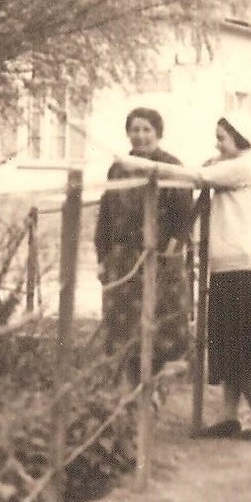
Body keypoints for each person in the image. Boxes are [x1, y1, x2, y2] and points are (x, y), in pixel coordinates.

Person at [118, 114, 251, 441]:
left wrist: (144, 167)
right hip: (229, 266)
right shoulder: (235, 165)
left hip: (241, 267)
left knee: (237, 346)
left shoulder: (244, 167)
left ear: (239, 139)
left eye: (222, 138)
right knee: (227, 343)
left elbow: (194, 176)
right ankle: (228, 415)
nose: (217, 144)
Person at [94, 107, 194, 384]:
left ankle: (154, 383)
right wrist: (102, 255)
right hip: (123, 260)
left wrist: (170, 251)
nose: (140, 136)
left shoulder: (171, 166)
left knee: (159, 324)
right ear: (128, 133)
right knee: (122, 326)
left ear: (158, 133)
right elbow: (106, 213)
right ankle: (128, 384)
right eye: (135, 130)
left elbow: (183, 215)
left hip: (158, 258)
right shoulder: (119, 168)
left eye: (146, 129)